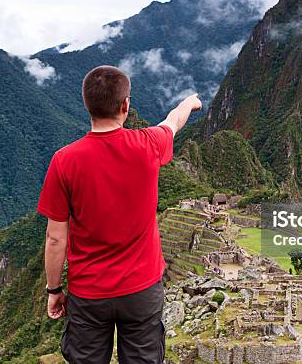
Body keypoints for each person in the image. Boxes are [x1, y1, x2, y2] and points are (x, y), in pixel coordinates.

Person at [37, 65, 202, 364]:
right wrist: (190, 102)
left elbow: (55, 238)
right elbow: (173, 122)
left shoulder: (64, 161)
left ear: (87, 105)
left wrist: (54, 289)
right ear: (126, 105)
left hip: (89, 293)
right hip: (142, 289)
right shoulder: (148, 145)